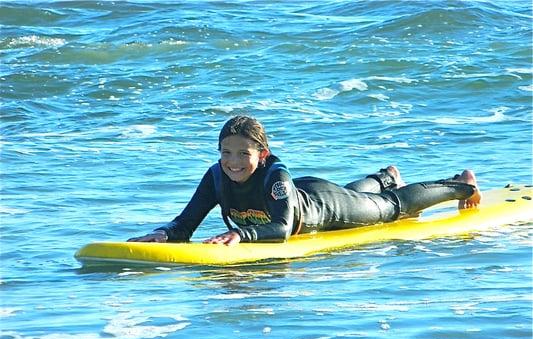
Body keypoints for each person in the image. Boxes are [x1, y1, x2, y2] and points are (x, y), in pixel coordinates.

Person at [128, 116, 481, 245]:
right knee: (362, 193)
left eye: (243, 154)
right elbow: (187, 222)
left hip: (326, 210)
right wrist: (165, 232)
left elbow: (281, 229)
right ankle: (385, 176)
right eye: (226, 153)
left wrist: (240, 233)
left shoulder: (275, 177)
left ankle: (461, 183)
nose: (233, 162)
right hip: (307, 193)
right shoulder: (216, 176)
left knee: (393, 207)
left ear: (262, 155)